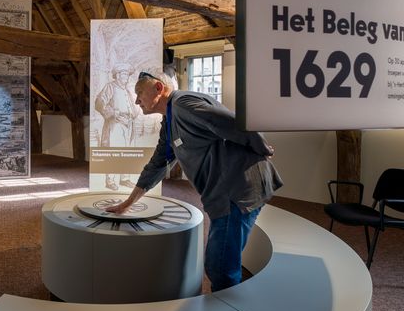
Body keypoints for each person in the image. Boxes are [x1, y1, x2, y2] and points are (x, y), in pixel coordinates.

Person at [106, 70, 283, 291]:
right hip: (230, 189)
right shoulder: (169, 122)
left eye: (139, 92)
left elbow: (232, 122)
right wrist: (126, 204)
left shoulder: (184, 104)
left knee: (220, 268)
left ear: (158, 88)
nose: (136, 100)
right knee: (223, 262)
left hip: (236, 191)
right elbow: (156, 166)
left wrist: (262, 147)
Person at [94, 63, 140, 190]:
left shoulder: (127, 90)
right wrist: (113, 112)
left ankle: (124, 179)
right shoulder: (110, 87)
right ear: (118, 75)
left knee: (126, 152)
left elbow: (133, 106)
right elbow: (99, 103)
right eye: (124, 74)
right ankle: (110, 181)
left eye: (127, 74)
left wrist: (134, 114)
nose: (126, 77)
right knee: (113, 151)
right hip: (115, 123)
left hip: (128, 123)